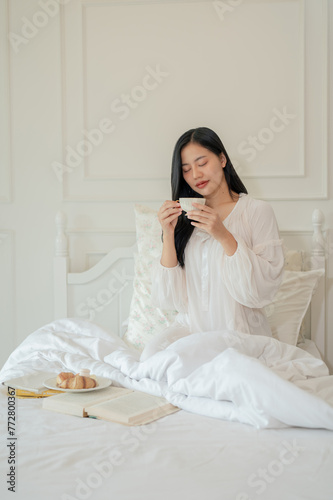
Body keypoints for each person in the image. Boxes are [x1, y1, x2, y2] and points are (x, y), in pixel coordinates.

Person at [140, 127, 284, 361]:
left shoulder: (256, 211)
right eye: (186, 169)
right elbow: (169, 298)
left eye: (202, 163)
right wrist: (168, 233)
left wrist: (222, 234)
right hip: (191, 332)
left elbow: (262, 290)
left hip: (239, 334)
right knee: (151, 358)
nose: (195, 174)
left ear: (222, 159)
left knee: (225, 372)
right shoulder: (185, 217)